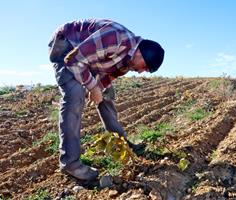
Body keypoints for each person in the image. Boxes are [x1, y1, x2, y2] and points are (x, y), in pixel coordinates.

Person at [48, 19, 164, 181]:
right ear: (140, 53)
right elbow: (73, 60)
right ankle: (70, 163)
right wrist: (92, 87)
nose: (141, 72)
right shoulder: (116, 37)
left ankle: (120, 142)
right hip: (67, 45)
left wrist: (98, 89)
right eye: (145, 67)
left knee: (106, 95)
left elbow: (107, 77)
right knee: (75, 96)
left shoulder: (128, 62)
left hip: (89, 58)